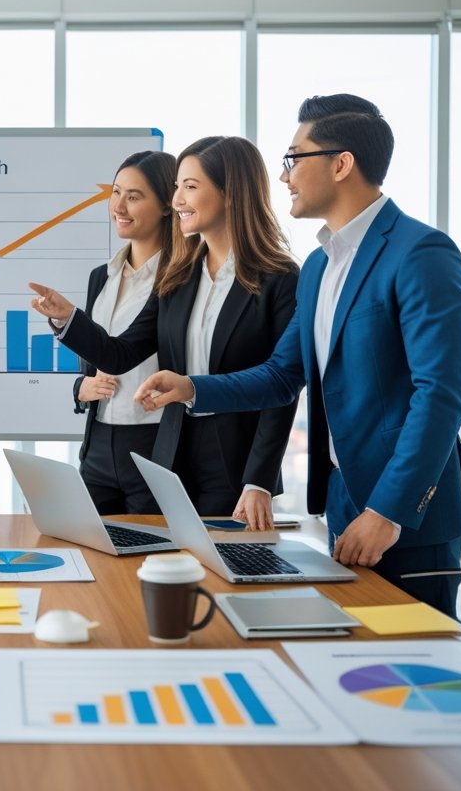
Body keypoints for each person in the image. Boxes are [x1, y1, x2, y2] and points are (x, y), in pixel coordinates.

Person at [131, 95, 461, 616]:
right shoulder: (318, 265)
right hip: (345, 504)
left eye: (295, 158)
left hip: (407, 517)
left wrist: (387, 510)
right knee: (356, 668)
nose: (285, 176)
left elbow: (441, 397)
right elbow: (282, 373)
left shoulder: (420, 253)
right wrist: (193, 387)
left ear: (341, 164)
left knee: (417, 673)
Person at [31, 136, 300, 528]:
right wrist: (67, 318)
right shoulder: (178, 277)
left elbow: (282, 386)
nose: (177, 200)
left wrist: (259, 479)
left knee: (225, 572)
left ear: (230, 194)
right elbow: (120, 354)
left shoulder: (280, 278)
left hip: (235, 464)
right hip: (170, 458)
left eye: (190, 187)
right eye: (176, 187)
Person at [67, 151, 175, 514]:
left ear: (166, 205)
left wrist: (66, 319)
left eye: (134, 196)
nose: (119, 206)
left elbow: (125, 350)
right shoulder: (102, 276)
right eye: (116, 192)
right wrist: (80, 388)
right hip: (98, 442)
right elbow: (96, 355)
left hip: (153, 438)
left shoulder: (180, 279)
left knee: (146, 560)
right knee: (91, 552)